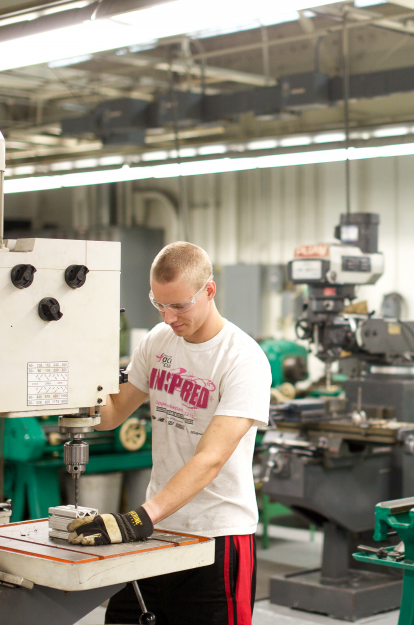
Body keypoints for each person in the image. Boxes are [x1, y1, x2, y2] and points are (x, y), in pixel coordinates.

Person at [67, 242, 271, 625]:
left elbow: (210, 459)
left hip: (217, 535)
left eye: (179, 305)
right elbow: (110, 415)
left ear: (209, 291)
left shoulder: (243, 359)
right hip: (157, 529)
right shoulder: (158, 341)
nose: (169, 316)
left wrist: (137, 519)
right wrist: (77, 375)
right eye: (160, 304)